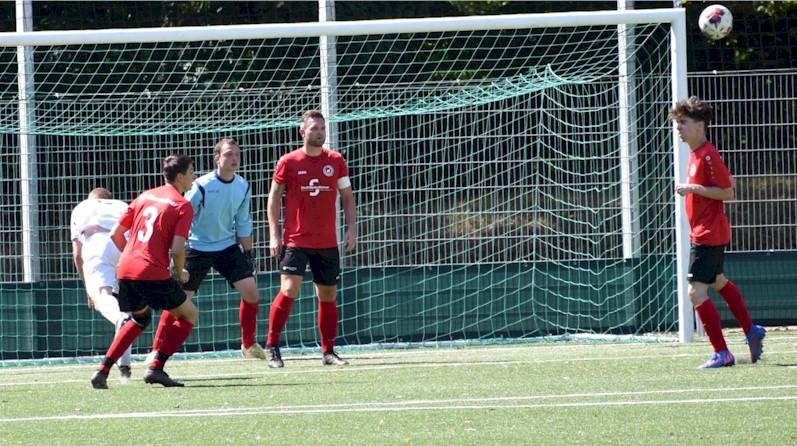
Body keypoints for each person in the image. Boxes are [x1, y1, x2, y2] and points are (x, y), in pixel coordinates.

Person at [145, 138, 263, 362]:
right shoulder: (201, 185)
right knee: (179, 300)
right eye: (228, 154)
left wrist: (248, 254)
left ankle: (248, 345)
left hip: (226, 246)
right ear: (217, 158)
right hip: (197, 247)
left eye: (237, 154)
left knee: (251, 291)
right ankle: (155, 350)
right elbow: (184, 215)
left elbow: (243, 221)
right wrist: (176, 249)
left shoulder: (243, 186)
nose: (234, 158)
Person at [670, 96, 766, 369]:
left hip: (708, 233)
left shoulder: (708, 154)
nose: (679, 129)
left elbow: (728, 191)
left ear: (700, 125)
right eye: (678, 124)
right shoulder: (697, 153)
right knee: (718, 281)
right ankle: (751, 330)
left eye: (683, 123)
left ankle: (722, 352)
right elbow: (726, 180)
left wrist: (693, 189)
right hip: (707, 231)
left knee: (695, 293)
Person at [90, 154, 199, 389]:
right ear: (180, 177)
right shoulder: (182, 205)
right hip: (151, 271)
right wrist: (180, 273)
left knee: (140, 318)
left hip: (126, 268)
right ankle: (156, 368)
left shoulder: (144, 196)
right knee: (189, 315)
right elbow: (178, 249)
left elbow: (115, 234)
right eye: (191, 172)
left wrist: (130, 257)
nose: (193, 177)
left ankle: (103, 369)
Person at [265, 109, 357, 368]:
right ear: (302, 131)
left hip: (327, 241)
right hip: (296, 240)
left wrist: (351, 228)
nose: (319, 133)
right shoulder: (289, 161)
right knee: (289, 289)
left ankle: (328, 351)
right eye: (314, 128)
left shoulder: (336, 160)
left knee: (327, 294)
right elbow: (273, 198)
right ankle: (273, 347)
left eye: (322, 128)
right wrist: (274, 234)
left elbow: (348, 197)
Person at [70, 187, 133, 379]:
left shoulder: (81, 208)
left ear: (91, 199)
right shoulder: (122, 205)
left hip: (97, 246)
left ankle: (118, 317)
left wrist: (88, 288)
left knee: (104, 297)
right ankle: (125, 366)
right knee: (128, 304)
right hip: (125, 246)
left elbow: (78, 254)